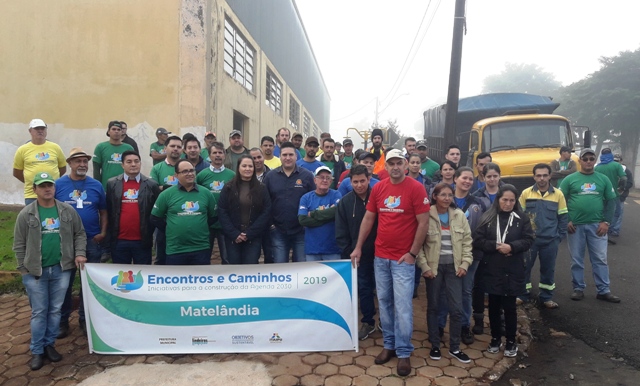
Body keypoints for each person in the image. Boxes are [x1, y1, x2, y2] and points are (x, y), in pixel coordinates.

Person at [350, 149, 430, 377]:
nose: (395, 167)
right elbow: (369, 217)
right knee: (384, 302)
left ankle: (404, 352)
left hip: (403, 259)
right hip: (380, 257)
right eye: (391, 163)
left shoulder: (416, 188)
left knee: (403, 306)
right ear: (385, 166)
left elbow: (423, 223)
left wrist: (413, 254)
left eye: (399, 163)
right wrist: (358, 247)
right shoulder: (379, 188)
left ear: (406, 164)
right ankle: (389, 345)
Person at [13, 172, 87, 371]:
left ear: (54, 188)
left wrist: (79, 253)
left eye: (50, 185)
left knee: (55, 310)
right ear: (35, 189)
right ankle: (37, 351)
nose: (47, 189)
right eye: (42, 186)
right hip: (35, 271)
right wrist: (23, 268)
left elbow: (79, 233)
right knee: (39, 312)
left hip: (61, 269)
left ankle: (49, 345)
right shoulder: (26, 214)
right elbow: (19, 243)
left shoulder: (66, 211)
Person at [473, 184, 534, 358]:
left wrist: (512, 247)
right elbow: (478, 240)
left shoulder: (522, 218)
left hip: (512, 269)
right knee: (493, 307)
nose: (507, 204)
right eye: (504, 200)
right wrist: (495, 246)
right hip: (492, 267)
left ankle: (510, 341)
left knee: (509, 307)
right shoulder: (489, 217)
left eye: (511, 201)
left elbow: (529, 240)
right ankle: (495, 338)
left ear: (516, 202)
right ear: (498, 200)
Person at [417, 183, 473, 364]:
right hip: (434, 269)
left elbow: (467, 241)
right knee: (433, 307)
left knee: (456, 309)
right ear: (435, 196)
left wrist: (465, 263)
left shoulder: (459, 216)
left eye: (450, 195)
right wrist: (424, 266)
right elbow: (418, 244)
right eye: (443, 195)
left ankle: (455, 347)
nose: (447, 198)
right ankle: (435, 345)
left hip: (454, 269)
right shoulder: (426, 215)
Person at [54, 148, 107, 337]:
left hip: (92, 240)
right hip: (66, 243)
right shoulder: (58, 185)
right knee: (64, 284)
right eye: (78, 161)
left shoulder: (96, 185)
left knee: (89, 284)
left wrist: (102, 232)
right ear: (70, 163)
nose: (82, 164)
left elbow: (103, 210)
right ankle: (62, 322)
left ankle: (86, 320)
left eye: (85, 161)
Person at [559, 148, 620, 303]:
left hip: (597, 227)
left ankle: (604, 290)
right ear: (579, 161)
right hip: (575, 227)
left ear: (595, 161)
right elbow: (560, 200)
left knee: (600, 258)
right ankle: (578, 288)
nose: (588, 161)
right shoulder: (570, 179)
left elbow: (611, 201)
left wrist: (606, 222)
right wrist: (566, 220)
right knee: (577, 259)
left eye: (591, 159)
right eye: (585, 159)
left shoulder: (603, 179)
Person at [438, 167, 487, 345]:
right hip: (445, 254)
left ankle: (464, 326)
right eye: (464, 178)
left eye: (470, 179)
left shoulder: (478, 204)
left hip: (469, 255)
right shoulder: (444, 200)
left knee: (466, 292)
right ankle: (439, 325)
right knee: (444, 292)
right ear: (456, 179)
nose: (467, 182)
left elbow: (482, 230)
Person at [336, 165, 378, 340]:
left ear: (369, 179)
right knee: (365, 289)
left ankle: (387, 321)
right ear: (350, 182)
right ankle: (368, 321)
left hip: (381, 253)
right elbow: (340, 231)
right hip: (358, 256)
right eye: (355, 182)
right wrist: (349, 253)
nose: (359, 185)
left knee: (384, 290)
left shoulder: (379, 198)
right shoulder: (345, 202)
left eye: (362, 181)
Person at [519, 163, 568, 309]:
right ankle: (522, 294)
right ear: (534, 176)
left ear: (550, 176)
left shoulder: (558, 194)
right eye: (538, 175)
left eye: (545, 175)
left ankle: (546, 297)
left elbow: (563, 217)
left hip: (550, 240)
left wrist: (559, 236)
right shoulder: (526, 193)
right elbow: (519, 217)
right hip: (530, 240)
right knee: (524, 267)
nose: (541, 178)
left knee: (548, 269)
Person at [151, 159, 218, 265]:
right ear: (176, 175)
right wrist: (171, 227)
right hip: (175, 249)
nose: (190, 174)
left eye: (192, 170)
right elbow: (155, 217)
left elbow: (213, 216)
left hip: (201, 248)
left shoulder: (206, 193)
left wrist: (199, 225)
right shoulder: (166, 194)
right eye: (185, 171)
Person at [263, 142, 315, 263]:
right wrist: (271, 224)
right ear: (279, 156)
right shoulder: (270, 177)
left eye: (291, 154)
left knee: (301, 268)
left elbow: (313, 200)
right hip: (278, 230)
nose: (288, 158)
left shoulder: (306, 176)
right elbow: (265, 202)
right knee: (280, 268)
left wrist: (307, 222)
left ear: (296, 156)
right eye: (284, 155)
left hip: (301, 230)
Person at [106, 150, 160, 265]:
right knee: (121, 276)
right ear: (122, 165)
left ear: (140, 163)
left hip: (142, 240)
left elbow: (156, 212)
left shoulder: (151, 185)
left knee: (143, 275)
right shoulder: (112, 184)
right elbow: (109, 210)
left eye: (136, 161)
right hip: (119, 240)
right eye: (129, 162)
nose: (133, 164)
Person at [218, 156, 272, 264]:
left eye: (250, 166)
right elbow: (222, 211)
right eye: (244, 166)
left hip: (253, 237)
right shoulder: (228, 187)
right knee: (234, 268)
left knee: (251, 268)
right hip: (233, 237)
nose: (247, 169)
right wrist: (234, 234)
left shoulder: (261, 188)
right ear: (238, 168)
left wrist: (249, 233)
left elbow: (266, 211)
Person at [196, 141, 235, 264]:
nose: (217, 155)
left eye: (220, 152)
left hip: (226, 222)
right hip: (206, 223)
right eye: (214, 153)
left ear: (224, 155)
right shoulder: (202, 175)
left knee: (227, 257)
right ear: (209, 156)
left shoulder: (232, 175)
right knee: (204, 256)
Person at [13, 119, 67, 205]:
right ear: (30, 131)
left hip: (53, 193)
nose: (40, 131)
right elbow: (17, 172)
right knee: (33, 218)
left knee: (55, 217)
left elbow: (62, 168)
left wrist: (50, 179)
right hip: (32, 194)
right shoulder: (22, 150)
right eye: (37, 129)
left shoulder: (55, 147)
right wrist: (30, 181)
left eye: (43, 128)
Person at [298, 166, 342, 261]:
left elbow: (337, 212)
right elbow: (303, 220)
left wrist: (313, 214)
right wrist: (328, 217)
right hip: (312, 249)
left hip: (332, 249)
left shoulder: (336, 195)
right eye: (321, 177)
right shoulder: (306, 198)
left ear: (331, 181)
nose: (325, 180)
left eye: (328, 178)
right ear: (315, 180)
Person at [595, 148, 627, 242]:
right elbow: (624, 179)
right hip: (614, 195)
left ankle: (599, 231)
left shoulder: (597, 167)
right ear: (611, 154)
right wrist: (621, 188)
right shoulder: (616, 165)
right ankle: (609, 231)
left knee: (601, 213)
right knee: (615, 213)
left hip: (599, 195)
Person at [93, 121, 135, 189]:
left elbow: (133, 168)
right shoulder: (100, 147)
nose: (116, 131)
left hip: (124, 187)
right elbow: (96, 170)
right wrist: (98, 187)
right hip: (106, 187)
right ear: (108, 131)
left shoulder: (129, 148)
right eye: (113, 129)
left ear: (122, 132)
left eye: (119, 130)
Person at [610, 153, 634, 237]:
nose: (616, 162)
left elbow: (630, 183)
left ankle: (615, 230)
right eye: (614, 161)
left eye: (617, 161)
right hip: (610, 195)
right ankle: (609, 229)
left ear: (621, 161)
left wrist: (622, 188)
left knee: (619, 213)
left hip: (620, 195)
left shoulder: (626, 170)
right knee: (610, 212)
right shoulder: (610, 169)